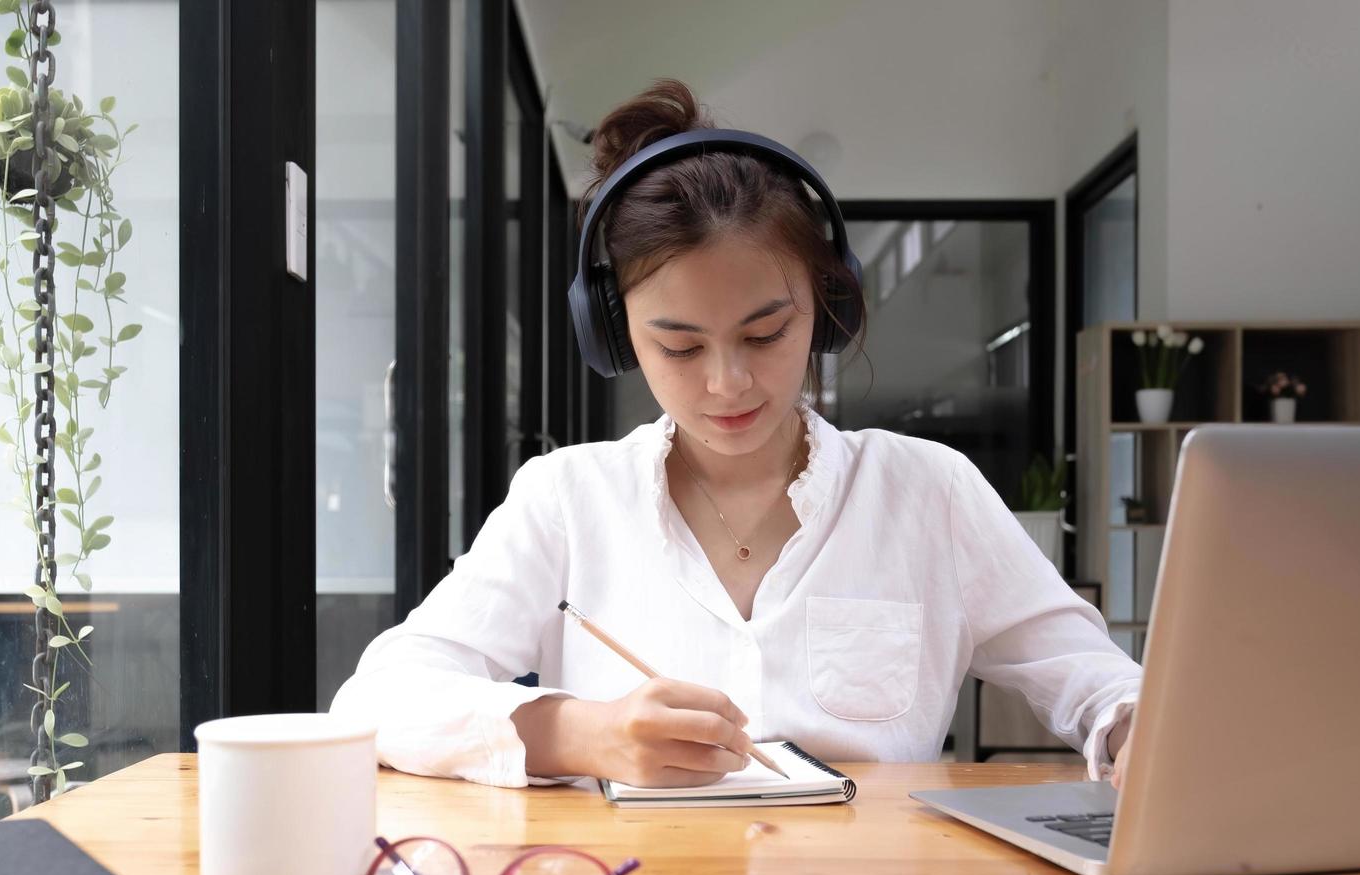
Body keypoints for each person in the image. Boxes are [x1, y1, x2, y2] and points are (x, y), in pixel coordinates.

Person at [332, 79, 1139, 790]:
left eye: (764, 335)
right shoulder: (568, 499)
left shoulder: (927, 491)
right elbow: (379, 697)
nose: (726, 384)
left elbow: (1101, 683)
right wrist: (582, 733)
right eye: (678, 347)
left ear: (827, 307)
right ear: (615, 339)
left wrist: (1138, 734)